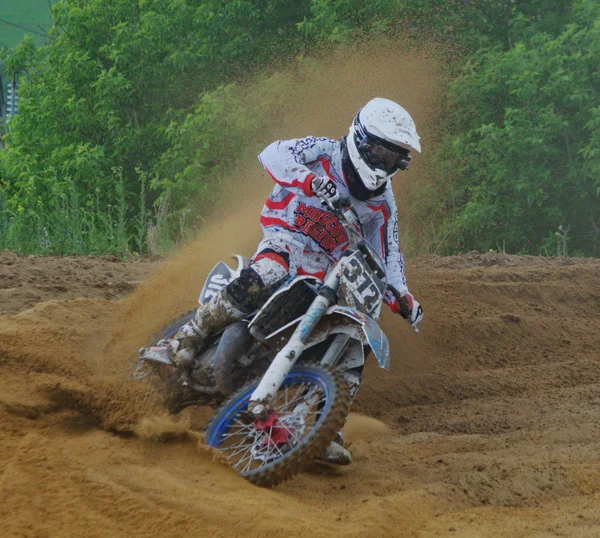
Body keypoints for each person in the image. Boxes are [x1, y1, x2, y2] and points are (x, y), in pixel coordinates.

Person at [168, 97, 424, 464]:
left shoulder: (383, 201)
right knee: (269, 271)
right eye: (380, 154)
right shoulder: (322, 152)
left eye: (393, 159)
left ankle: (322, 424)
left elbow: (389, 250)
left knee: (358, 332)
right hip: (287, 238)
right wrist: (309, 181)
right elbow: (272, 154)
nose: (384, 165)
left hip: (329, 268)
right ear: (361, 140)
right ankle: (190, 334)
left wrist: (402, 294)